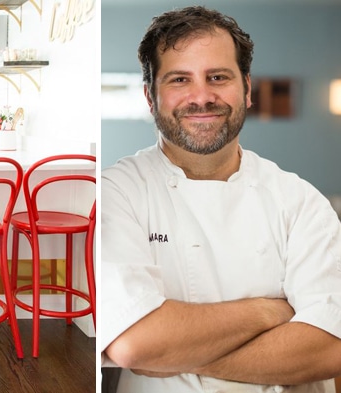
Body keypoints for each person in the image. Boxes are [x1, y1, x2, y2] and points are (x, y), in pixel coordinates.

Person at [101, 6, 341, 392]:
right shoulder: (118, 192)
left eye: (218, 77)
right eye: (180, 79)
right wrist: (271, 311)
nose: (201, 97)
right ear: (150, 96)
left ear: (246, 89)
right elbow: (136, 343)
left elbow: (329, 348)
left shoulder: (299, 201)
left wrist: (175, 355)